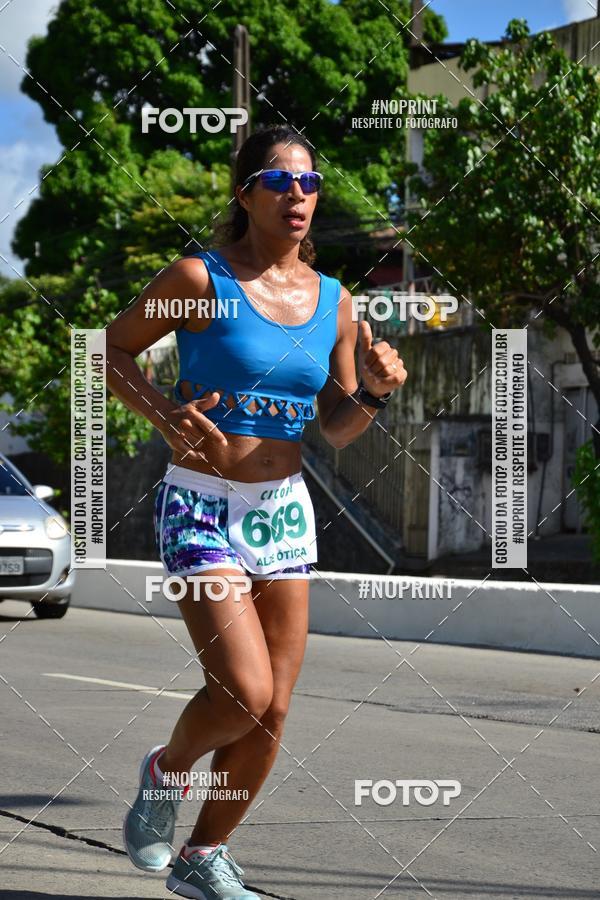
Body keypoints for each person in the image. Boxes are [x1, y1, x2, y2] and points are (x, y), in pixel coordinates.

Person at [106, 123, 407, 899]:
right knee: (243, 692)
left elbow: (335, 427)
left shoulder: (335, 303)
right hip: (201, 503)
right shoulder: (198, 279)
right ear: (246, 194)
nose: (299, 195)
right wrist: (164, 416)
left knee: (274, 709)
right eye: (280, 181)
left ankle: (202, 857)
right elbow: (109, 352)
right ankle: (165, 772)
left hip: (282, 510)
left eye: (310, 183)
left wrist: (372, 390)